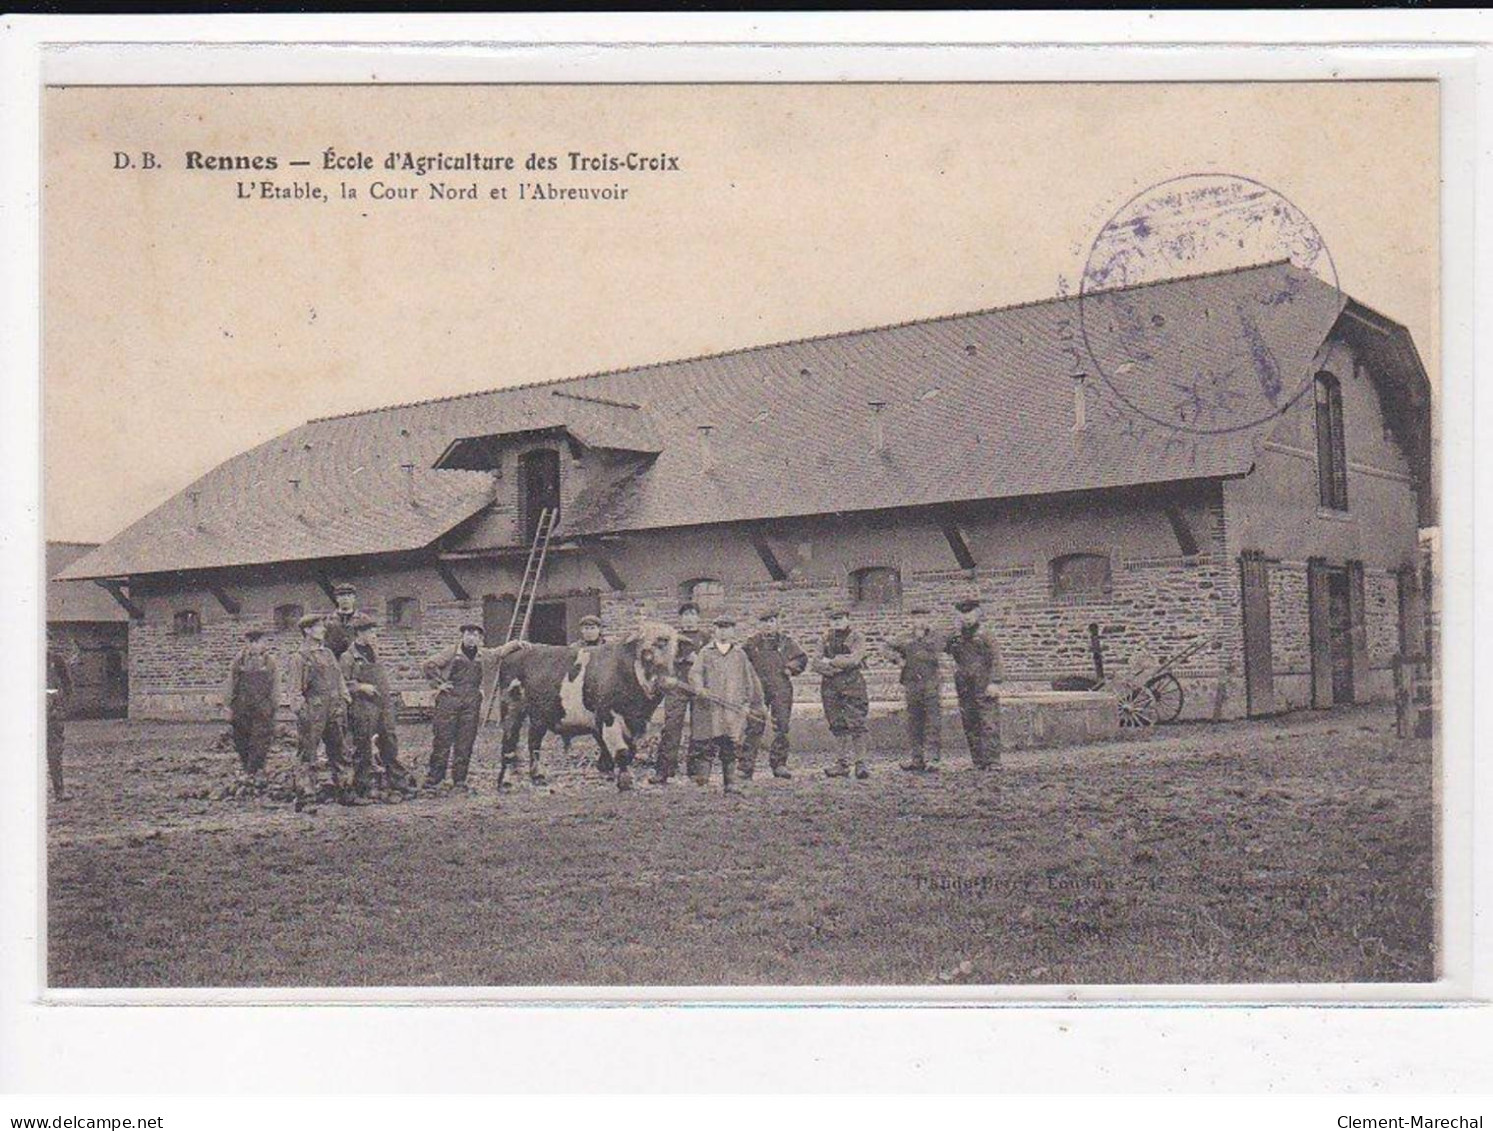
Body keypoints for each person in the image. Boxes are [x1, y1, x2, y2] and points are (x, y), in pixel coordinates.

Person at [422, 625, 526, 792]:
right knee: (442, 741)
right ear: (463, 636)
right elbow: (428, 665)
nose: (472, 638)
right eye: (469, 634)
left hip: (471, 702)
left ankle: (459, 781)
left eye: (476, 635)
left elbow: (499, 652)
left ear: (480, 639)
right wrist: (439, 684)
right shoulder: (452, 652)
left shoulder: (482, 654)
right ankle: (434, 780)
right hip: (449, 700)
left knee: (465, 742)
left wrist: (516, 644)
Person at [687, 615, 765, 795]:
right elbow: (695, 673)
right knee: (706, 744)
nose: (723, 631)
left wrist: (747, 703)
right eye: (720, 628)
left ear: (733, 631)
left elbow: (748, 680)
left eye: (727, 628)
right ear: (715, 630)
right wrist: (700, 688)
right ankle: (703, 782)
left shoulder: (739, 655)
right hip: (710, 707)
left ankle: (730, 782)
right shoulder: (706, 653)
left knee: (730, 743)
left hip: (732, 707)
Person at [341, 614, 416, 800]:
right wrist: (360, 687)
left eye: (374, 630)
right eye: (370, 631)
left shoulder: (375, 652)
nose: (373, 634)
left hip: (382, 704)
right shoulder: (348, 657)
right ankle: (364, 787)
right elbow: (342, 683)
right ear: (359, 633)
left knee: (389, 741)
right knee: (363, 745)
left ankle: (398, 782)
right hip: (362, 705)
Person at [286, 613, 353, 805]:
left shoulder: (328, 654)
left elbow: (339, 678)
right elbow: (294, 689)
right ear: (307, 630)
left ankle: (345, 790)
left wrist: (344, 697)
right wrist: (301, 711)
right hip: (313, 710)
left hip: (333, 708)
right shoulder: (300, 658)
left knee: (339, 750)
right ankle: (306, 795)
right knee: (308, 753)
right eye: (319, 626)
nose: (323, 629)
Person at [740, 606, 809, 779]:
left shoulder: (786, 642)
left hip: (781, 688)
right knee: (754, 725)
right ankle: (746, 766)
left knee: (782, 726)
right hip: (758, 689)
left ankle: (779, 764)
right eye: (764, 622)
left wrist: (790, 668)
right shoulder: (752, 643)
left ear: (777, 623)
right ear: (759, 625)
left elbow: (801, 658)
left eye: (771, 622)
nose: (768, 625)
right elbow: (740, 661)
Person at [649, 601, 712, 785]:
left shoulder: (706, 638)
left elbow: (713, 662)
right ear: (681, 618)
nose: (689, 618)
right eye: (686, 615)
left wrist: (698, 659)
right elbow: (661, 659)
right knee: (671, 727)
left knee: (700, 728)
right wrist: (683, 659)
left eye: (693, 614)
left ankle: (697, 771)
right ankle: (664, 771)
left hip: (698, 688)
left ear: (698, 618)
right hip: (676, 687)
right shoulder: (671, 638)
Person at [945, 597, 1003, 770]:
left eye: (970, 614)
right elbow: (941, 648)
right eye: (963, 615)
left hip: (983, 683)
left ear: (977, 614)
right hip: (964, 684)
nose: (967, 618)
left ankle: (993, 761)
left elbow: (996, 659)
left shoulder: (985, 635)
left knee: (988, 721)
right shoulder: (955, 637)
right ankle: (978, 761)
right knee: (969, 721)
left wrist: (995, 682)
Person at [814, 607, 871, 780]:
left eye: (840, 618)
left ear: (848, 619)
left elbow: (855, 659)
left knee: (857, 723)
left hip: (852, 685)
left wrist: (831, 661)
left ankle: (860, 763)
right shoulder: (824, 639)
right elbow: (816, 663)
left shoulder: (857, 637)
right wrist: (835, 668)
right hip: (830, 686)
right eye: (833, 619)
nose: (837, 622)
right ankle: (841, 763)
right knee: (837, 724)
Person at [889, 606, 943, 773]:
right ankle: (916, 759)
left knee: (932, 722)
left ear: (929, 620)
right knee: (914, 722)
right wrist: (897, 658)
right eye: (916, 618)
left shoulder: (936, 638)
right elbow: (886, 647)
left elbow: (938, 653)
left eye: (923, 618)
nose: (920, 622)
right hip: (911, 684)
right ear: (911, 621)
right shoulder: (904, 638)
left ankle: (933, 759)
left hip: (930, 684)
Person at [224, 628, 280, 782]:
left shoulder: (270, 661)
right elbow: (230, 683)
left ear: (263, 644)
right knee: (241, 739)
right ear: (246, 643)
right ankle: (247, 767)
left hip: (263, 706)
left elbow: (275, 685)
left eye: (258, 642)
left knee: (260, 739)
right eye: (251, 642)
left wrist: (274, 706)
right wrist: (228, 706)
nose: (255, 645)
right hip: (241, 706)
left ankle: (254, 771)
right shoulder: (239, 660)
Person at [45, 637, 73, 801]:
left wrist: (60, 707)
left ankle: (59, 791)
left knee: (54, 751)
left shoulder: (56, 660)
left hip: (52, 712)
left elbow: (68, 685)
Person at [322, 582, 360, 659]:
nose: (345, 598)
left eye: (349, 595)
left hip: (356, 662)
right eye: (341, 596)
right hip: (333, 662)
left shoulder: (363, 620)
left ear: (354, 598)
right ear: (336, 599)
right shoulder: (327, 621)